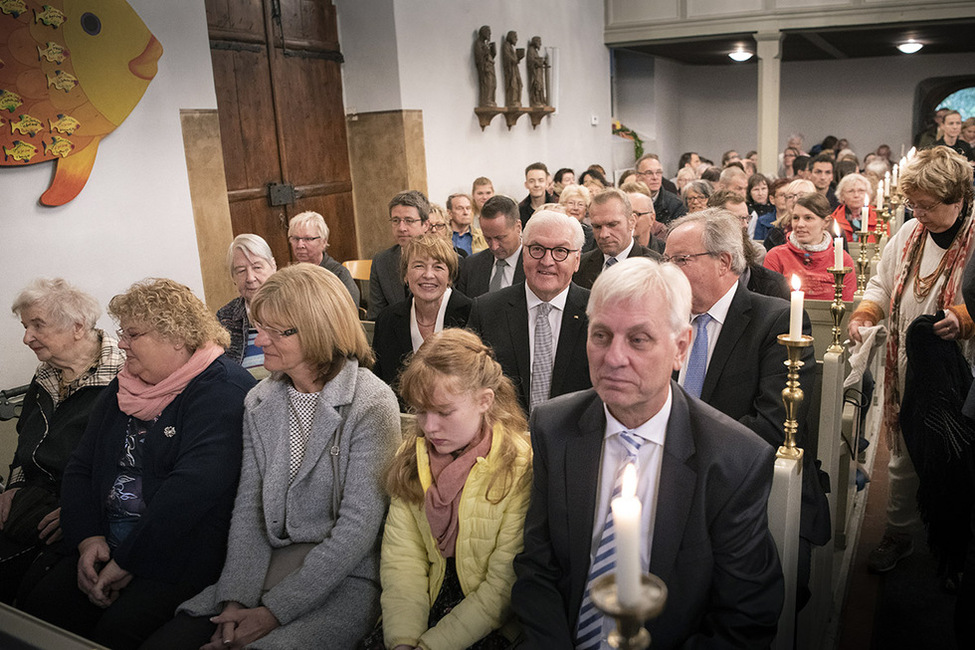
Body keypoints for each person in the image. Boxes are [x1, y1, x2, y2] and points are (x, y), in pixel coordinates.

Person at [511, 255, 783, 648]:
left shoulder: (733, 459)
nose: (614, 357)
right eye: (601, 335)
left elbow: (746, 616)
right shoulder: (554, 428)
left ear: (680, 347)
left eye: (638, 339)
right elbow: (538, 569)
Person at [145, 264, 401, 649]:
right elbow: (250, 509)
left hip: (343, 579)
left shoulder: (370, 402)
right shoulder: (260, 399)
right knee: (169, 642)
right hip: (267, 567)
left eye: (274, 331)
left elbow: (357, 530)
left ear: (316, 329)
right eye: (258, 326)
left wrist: (273, 612)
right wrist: (235, 600)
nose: (257, 340)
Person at [17, 279, 256, 649]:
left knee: (116, 631)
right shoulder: (125, 385)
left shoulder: (222, 390)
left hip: (175, 557)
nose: (122, 343)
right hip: (107, 540)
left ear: (176, 336)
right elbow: (82, 466)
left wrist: (128, 560)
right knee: (39, 610)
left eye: (133, 334)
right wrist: (87, 539)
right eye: (122, 333)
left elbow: (189, 493)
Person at [665, 210, 829, 608]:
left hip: (751, 486)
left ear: (724, 261)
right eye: (665, 260)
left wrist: (681, 456)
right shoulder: (665, 321)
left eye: (680, 260)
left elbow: (771, 425)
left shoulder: (776, 320)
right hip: (670, 483)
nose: (667, 272)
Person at [848, 146, 975, 574]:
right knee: (902, 452)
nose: (917, 213)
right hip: (906, 367)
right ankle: (898, 533)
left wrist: (964, 318)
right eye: (912, 204)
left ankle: (955, 549)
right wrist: (866, 312)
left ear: (958, 199)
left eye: (927, 205)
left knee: (957, 456)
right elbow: (882, 284)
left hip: (962, 370)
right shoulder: (908, 236)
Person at [364, 329, 532, 649]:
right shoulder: (412, 457)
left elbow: (502, 585)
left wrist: (431, 645)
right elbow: (403, 563)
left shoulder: (519, 465)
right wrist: (404, 640)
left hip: (487, 621)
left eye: (444, 412)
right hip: (426, 603)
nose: (429, 427)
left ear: (485, 401)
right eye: (421, 411)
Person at [0, 280, 124, 604]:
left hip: (82, 512)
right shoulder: (45, 376)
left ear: (78, 327)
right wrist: (14, 486)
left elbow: (130, 464)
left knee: (35, 599)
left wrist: (81, 512)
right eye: (26, 326)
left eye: (37, 325)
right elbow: (23, 443)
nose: (26, 337)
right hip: (32, 502)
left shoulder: (123, 377)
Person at [467, 210, 591, 414]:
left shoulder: (598, 313)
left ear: (577, 260)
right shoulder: (486, 311)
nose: (547, 261)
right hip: (505, 437)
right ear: (524, 252)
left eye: (560, 251)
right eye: (537, 249)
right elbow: (471, 384)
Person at [373, 235, 471, 386]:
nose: (428, 275)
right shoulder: (387, 320)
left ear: (450, 277)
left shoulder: (471, 314)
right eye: (419, 266)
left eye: (438, 267)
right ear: (405, 274)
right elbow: (380, 383)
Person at [764, 193, 857, 300]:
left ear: (826, 222)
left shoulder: (842, 259)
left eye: (808, 218)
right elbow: (770, 304)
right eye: (795, 218)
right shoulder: (776, 256)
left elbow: (847, 304)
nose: (800, 224)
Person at [573, 189, 662, 289]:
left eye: (612, 225)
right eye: (597, 227)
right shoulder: (581, 267)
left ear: (632, 222)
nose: (603, 234)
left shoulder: (657, 267)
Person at [217, 234, 277, 372]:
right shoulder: (225, 317)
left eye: (257, 267)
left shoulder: (295, 307)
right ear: (233, 277)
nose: (250, 278)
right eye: (241, 271)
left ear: (273, 266)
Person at [368, 190, 431, 319]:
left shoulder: (442, 260)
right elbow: (376, 316)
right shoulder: (381, 262)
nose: (401, 228)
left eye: (409, 220)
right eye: (396, 220)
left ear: (425, 225)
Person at [456, 195, 526, 299]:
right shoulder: (471, 266)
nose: (494, 246)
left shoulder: (535, 266)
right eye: (487, 238)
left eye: (500, 238)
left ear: (518, 227)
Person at [287, 211, 360, 305]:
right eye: (296, 239)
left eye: (308, 239)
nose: (300, 245)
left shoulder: (338, 274)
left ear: (324, 242)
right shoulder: (290, 275)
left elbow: (349, 311)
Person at [764, 178, 816, 251]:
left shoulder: (823, 232)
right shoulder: (775, 235)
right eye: (790, 196)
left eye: (801, 195)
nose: (795, 200)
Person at [636, 154, 687, 224]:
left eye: (658, 172)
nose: (655, 177)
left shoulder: (676, 205)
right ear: (638, 177)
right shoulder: (629, 202)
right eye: (649, 173)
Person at [830, 172, 878, 243]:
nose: (856, 195)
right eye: (851, 191)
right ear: (842, 196)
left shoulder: (879, 217)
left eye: (861, 191)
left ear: (868, 194)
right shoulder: (833, 219)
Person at [621, 180, 667, 247]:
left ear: (652, 218)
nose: (630, 220)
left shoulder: (665, 253)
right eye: (625, 214)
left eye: (636, 214)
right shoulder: (611, 252)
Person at [558, 183, 596, 251]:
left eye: (580, 204)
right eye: (571, 203)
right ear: (563, 205)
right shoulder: (556, 229)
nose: (575, 208)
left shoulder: (591, 234)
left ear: (586, 209)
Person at [519, 162, 556, 227]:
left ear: (547, 184)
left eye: (540, 180)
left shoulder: (557, 207)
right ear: (526, 185)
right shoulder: (519, 211)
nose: (536, 184)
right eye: (531, 181)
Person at [747, 173, 775, 240]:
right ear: (749, 192)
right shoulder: (747, 210)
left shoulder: (774, 208)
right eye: (756, 189)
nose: (760, 193)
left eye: (763, 188)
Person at [474, 25, 496, 108]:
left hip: (490, 67)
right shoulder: (478, 43)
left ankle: (491, 100)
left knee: (493, 84)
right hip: (485, 69)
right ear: (483, 33)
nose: (489, 34)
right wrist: (485, 52)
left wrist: (492, 52)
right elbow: (479, 57)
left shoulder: (485, 44)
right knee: (488, 83)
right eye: (488, 32)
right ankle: (486, 100)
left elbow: (489, 57)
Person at [501, 30, 524, 107]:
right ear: (510, 37)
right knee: (513, 84)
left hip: (515, 69)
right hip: (511, 70)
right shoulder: (506, 45)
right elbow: (507, 57)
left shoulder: (510, 46)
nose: (516, 39)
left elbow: (513, 58)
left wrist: (518, 58)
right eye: (515, 37)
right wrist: (515, 59)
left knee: (519, 84)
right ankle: (513, 100)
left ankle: (517, 100)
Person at [527, 35, 547, 107]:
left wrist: (542, 62)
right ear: (535, 42)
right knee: (536, 85)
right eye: (539, 42)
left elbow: (536, 60)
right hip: (535, 73)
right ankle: (536, 100)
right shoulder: (531, 50)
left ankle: (540, 100)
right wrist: (538, 62)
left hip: (538, 72)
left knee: (540, 86)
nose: (540, 44)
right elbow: (531, 61)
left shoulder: (535, 51)